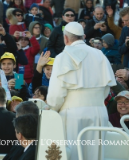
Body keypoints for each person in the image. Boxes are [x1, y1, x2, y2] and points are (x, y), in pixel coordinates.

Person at [46, 22, 116, 160]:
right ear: (83, 37)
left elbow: (56, 95)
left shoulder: (62, 57)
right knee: (96, 155)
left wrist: (53, 109)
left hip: (73, 115)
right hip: (99, 113)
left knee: (74, 155)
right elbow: (106, 89)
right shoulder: (100, 55)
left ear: (66, 39)